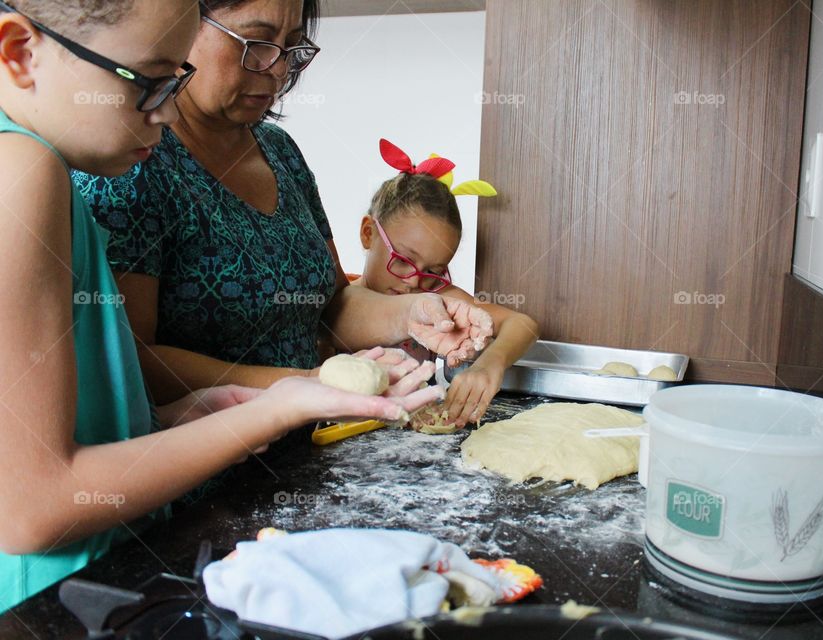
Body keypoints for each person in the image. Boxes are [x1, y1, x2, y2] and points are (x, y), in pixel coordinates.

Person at [0, 0, 443, 612]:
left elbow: (59, 427)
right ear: (20, 52)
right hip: (52, 598)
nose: (164, 112)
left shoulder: (34, 165)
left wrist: (174, 418)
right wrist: (272, 411)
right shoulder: (22, 174)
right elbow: (32, 509)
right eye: (150, 82)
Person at [76, 0, 493, 405]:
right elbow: (129, 360)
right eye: (255, 42)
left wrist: (411, 313)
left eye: (291, 47)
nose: (277, 69)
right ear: (185, 24)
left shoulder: (280, 151)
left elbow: (333, 303)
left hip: (309, 434)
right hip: (208, 447)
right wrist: (305, 385)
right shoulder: (132, 161)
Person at [350, 139, 539, 427]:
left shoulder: (437, 299)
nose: (414, 281)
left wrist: (489, 365)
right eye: (402, 260)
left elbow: (523, 324)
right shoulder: (338, 303)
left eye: (433, 271)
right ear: (368, 233)